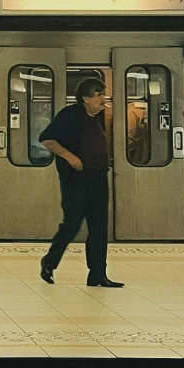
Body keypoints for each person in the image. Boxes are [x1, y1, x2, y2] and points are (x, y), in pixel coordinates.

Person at [39, 74, 123, 287]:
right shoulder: (70, 115)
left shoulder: (98, 118)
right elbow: (47, 139)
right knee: (72, 225)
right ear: (85, 98)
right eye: (98, 95)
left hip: (98, 179)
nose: (103, 99)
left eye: (103, 94)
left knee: (99, 227)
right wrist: (70, 157)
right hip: (76, 180)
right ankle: (49, 262)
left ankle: (97, 274)